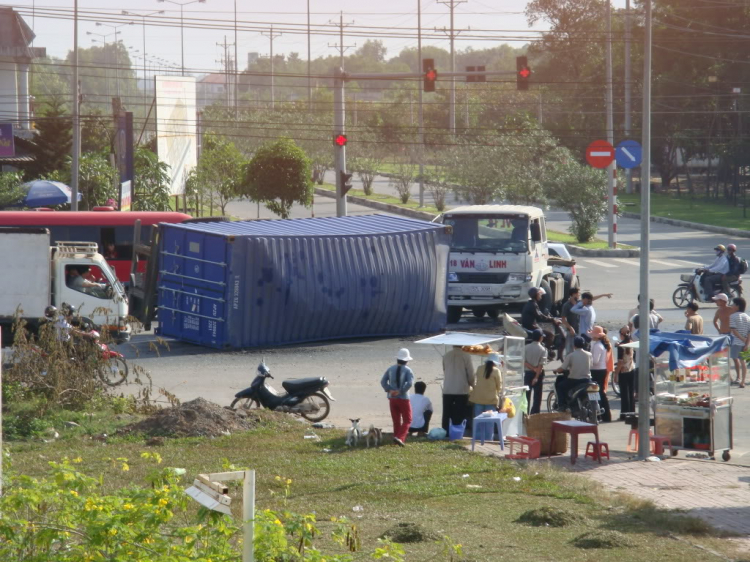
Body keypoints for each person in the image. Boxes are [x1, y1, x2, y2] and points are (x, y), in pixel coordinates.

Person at [380, 348, 415, 446]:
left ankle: (396, 437)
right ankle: (400, 437)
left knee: (396, 420)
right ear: (407, 360)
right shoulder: (408, 370)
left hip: (392, 397)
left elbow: (383, 382)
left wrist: (389, 390)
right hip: (403, 398)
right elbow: (409, 383)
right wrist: (400, 391)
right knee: (408, 419)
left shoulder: (390, 369)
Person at [553, 336, 592, 410]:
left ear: (574, 345)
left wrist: (556, 370)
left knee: (560, 386)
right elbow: (591, 365)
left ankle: (562, 406)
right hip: (587, 380)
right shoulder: (589, 354)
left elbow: (562, 368)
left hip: (575, 380)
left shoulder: (571, 355)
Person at [469, 353, 502, 439]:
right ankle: (488, 439)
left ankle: (477, 439)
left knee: (478, 420)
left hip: (478, 398)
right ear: (495, 363)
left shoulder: (479, 368)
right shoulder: (496, 371)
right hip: (490, 400)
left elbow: (476, 380)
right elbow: (499, 386)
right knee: (489, 422)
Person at [441, 345, 474, 431]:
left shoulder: (446, 355)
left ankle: (445, 431)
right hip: (461, 389)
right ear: (462, 345)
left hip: (447, 388)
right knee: (460, 413)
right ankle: (458, 431)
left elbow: (444, 370)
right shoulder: (466, 355)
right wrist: (473, 384)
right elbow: (470, 373)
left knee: (446, 413)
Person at [589, 326, 613, 422]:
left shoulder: (597, 346)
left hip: (596, 370)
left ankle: (601, 415)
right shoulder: (600, 345)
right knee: (600, 393)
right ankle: (603, 415)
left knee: (597, 393)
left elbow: (595, 361)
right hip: (601, 370)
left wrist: (588, 359)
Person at [614, 326, 636, 419]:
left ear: (621, 335)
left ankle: (624, 414)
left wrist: (616, 374)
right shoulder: (632, 343)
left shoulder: (621, 346)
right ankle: (632, 412)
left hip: (623, 371)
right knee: (631, 393)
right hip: (632, 369)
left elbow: (620, 362)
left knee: (624, 393)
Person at [523, 330, 547, 414]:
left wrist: (532, 368)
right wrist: (536, 377)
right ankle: (535, 414)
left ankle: (525, 414)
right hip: (538, 374)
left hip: (527, 373)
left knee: (526, 396)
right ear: (540, 338)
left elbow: (523, 361)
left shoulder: (526, 347)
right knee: (537, 397)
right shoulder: (543, 349)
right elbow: (541, 365)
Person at [728, 298, 749, 388]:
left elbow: (733, 330)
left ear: (737, 306)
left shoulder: (732, 316)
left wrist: (742, 339)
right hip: (745, 344)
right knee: (743, 362)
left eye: (733, 304)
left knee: (729, 359)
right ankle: (742, 381)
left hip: (736, 342)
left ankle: (730, 378)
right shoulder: (747, 317)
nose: (732, 306)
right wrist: (747, 343)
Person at [560, 287, 580, 356]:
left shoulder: (579, 303)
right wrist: (570, 328)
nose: (579, 295)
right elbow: (563, 319)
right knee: (569, 351)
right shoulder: (566, 305)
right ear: (574, 294)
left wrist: (603, 295)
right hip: (570, 332)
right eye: (578, 293)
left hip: (579, 330)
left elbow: (590, 299)